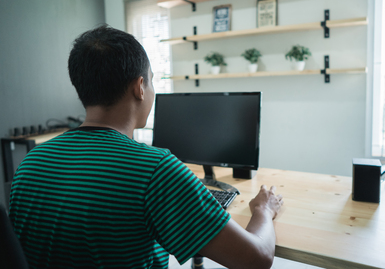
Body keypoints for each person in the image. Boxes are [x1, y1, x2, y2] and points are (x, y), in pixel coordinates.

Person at [9, 25, 283, 269]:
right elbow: (256, 259)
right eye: (152, 80)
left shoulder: (31, 162)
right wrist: (264, 209)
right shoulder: (155, 170)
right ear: (140, 87)